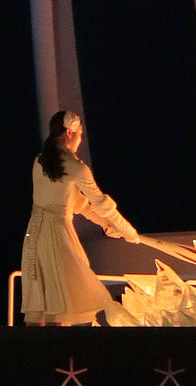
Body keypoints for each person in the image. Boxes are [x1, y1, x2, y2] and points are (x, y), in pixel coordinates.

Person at [20, 110, 139, 325]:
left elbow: (78, 204)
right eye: (80, 134)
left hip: (34, 235)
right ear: (69, 133)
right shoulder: (76, 168)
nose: (80, 139)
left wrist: (106, 225)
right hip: (58, 236)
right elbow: (101, 204)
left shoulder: (40, 162)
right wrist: (129, 232)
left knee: (43, 304)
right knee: (60, 302)